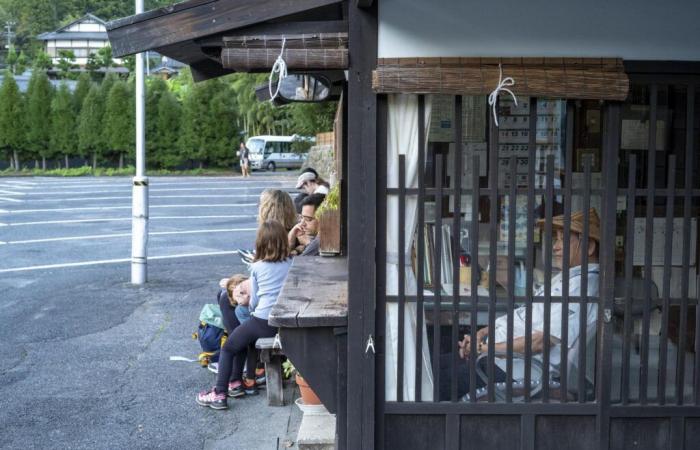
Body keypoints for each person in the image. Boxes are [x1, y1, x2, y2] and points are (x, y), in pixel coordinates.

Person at [441, 208, 601, 400]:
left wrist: (483, 349)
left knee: (437, 380)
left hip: (516, 369)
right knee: (434, 365)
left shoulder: (583, 286)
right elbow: (524, 316)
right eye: (556, 239)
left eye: (563, 240)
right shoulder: (567, 279)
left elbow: (541, 341)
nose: (555, 247)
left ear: (589, 246)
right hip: (497, 356)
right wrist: (482, 334)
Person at [197, 221, 293, 410]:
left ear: (261, 243)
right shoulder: (292, 263)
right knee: (241, 338)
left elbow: (255, 300)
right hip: (286, 320)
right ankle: (235, 383)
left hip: (264, 320)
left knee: (229, 347)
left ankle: (219, 393)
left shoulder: (257, 267)